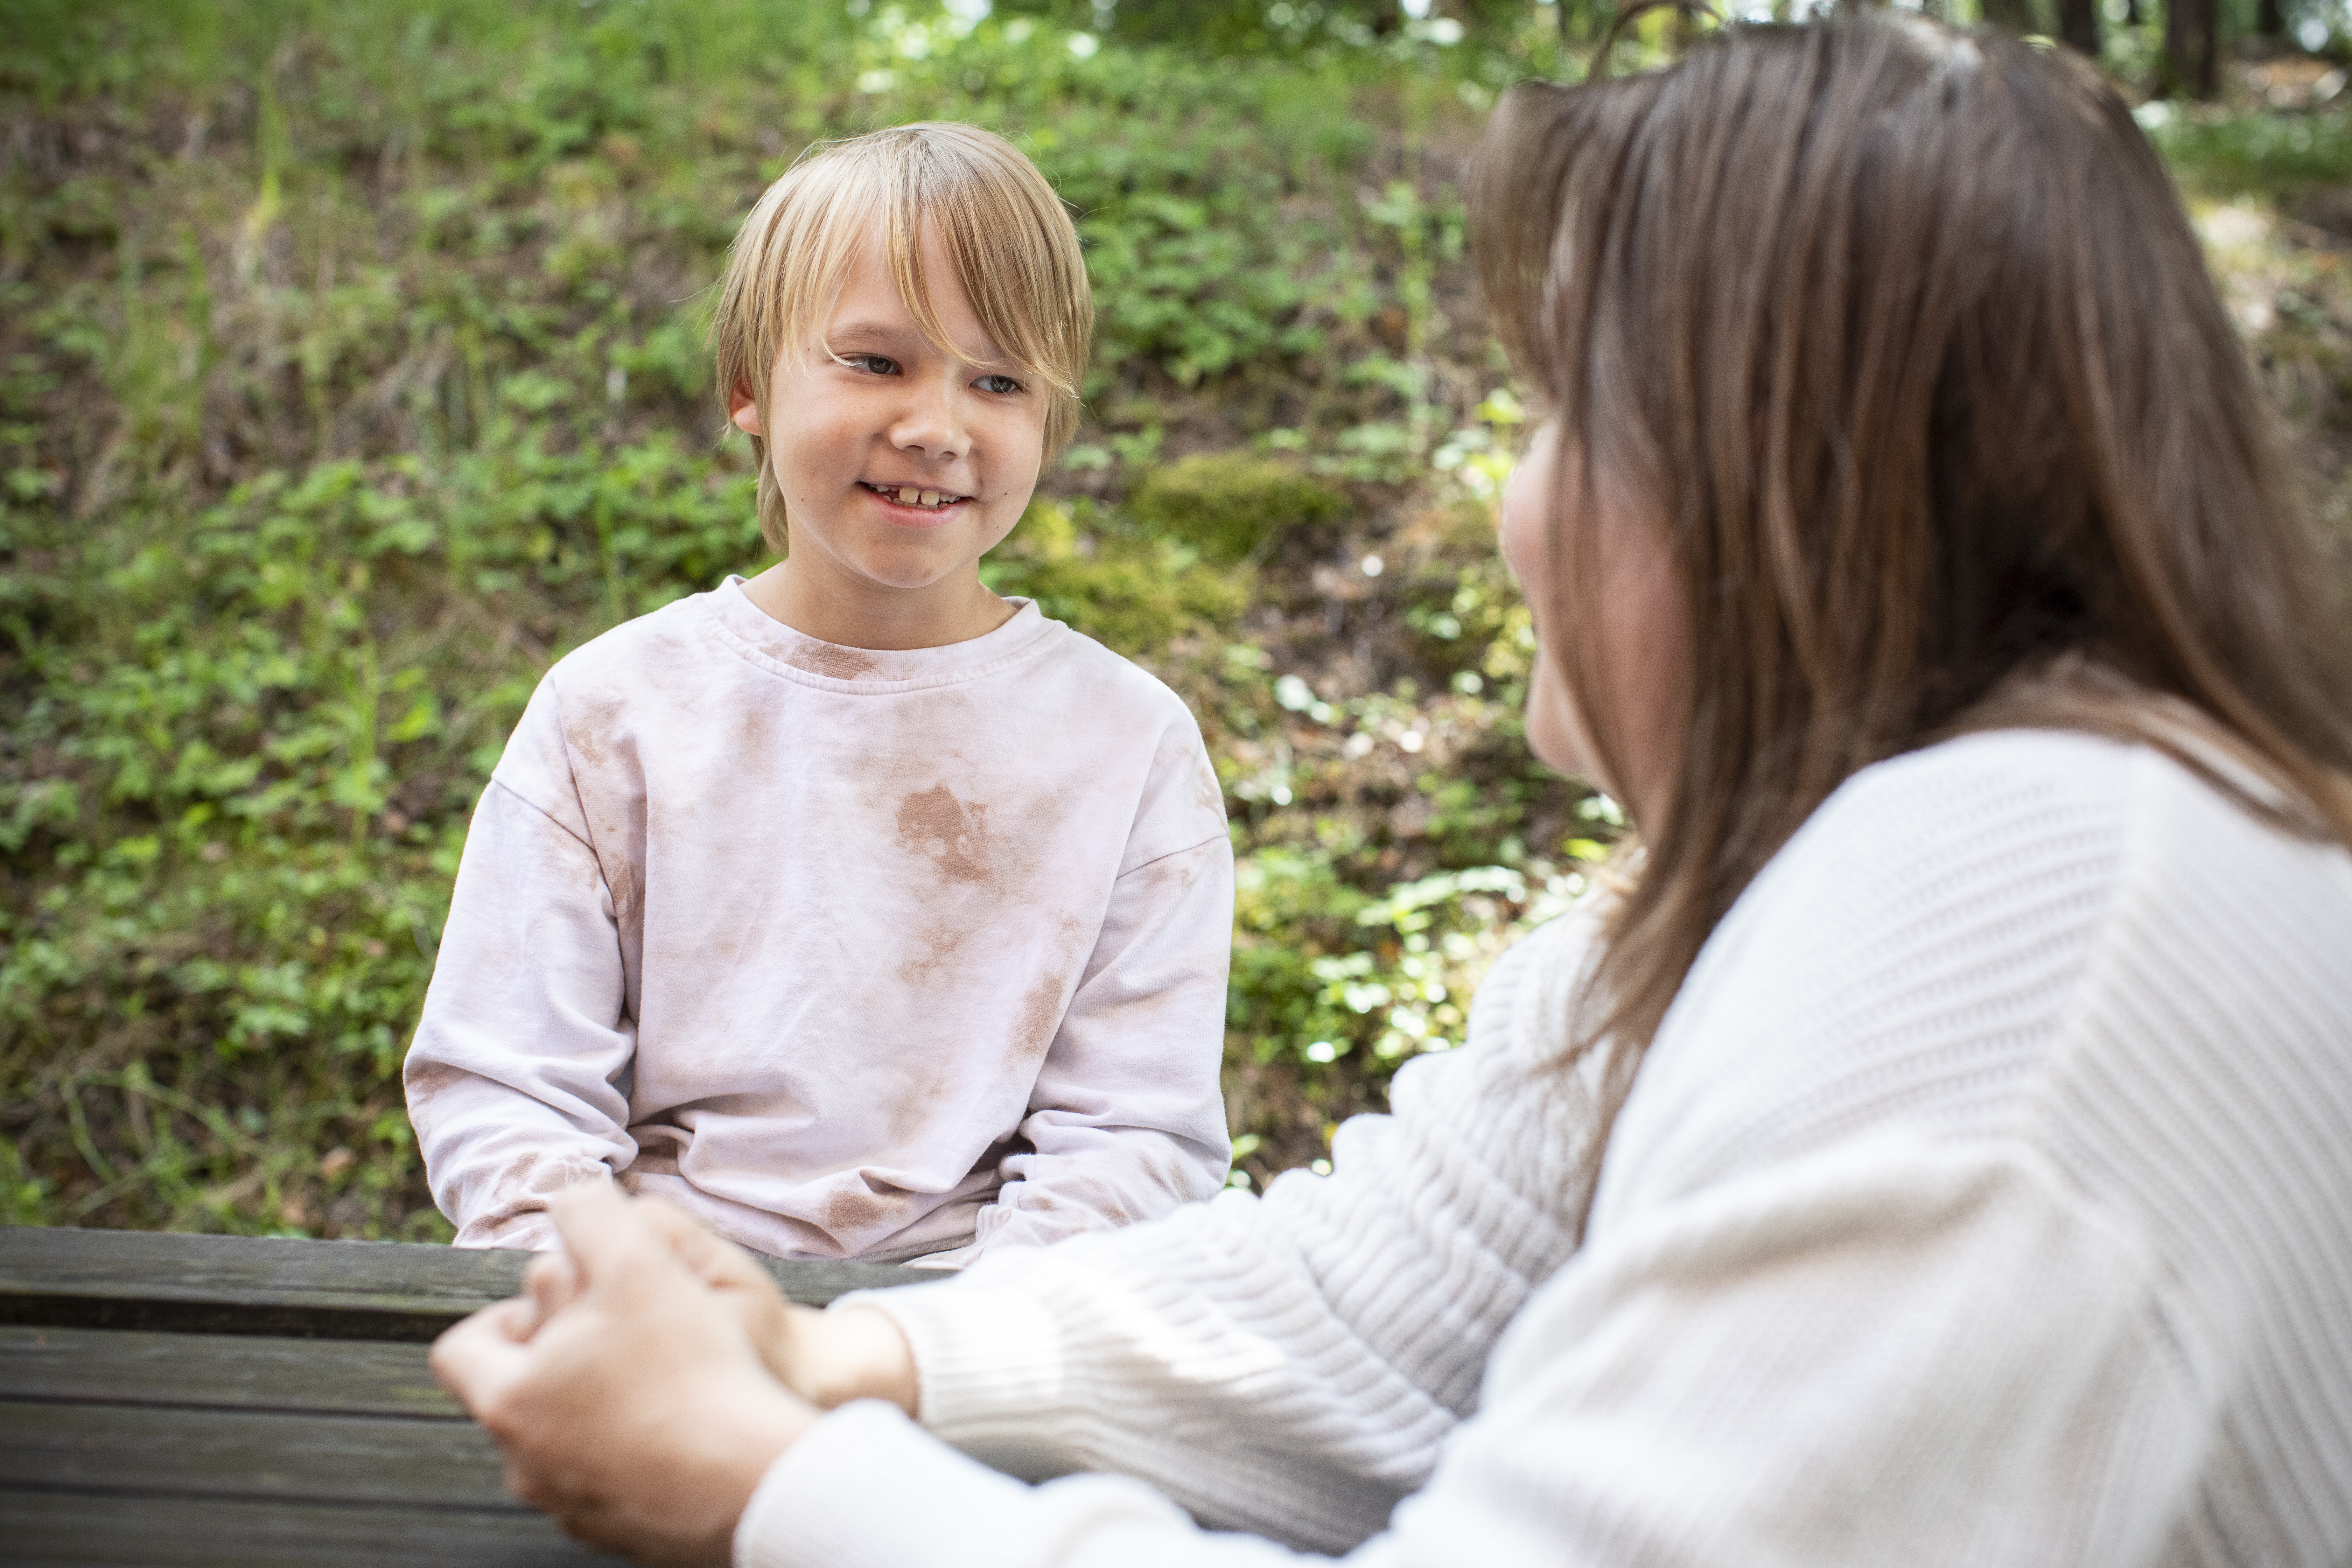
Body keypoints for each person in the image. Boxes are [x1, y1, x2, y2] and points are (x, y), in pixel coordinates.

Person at [430, 18, 2352, 1567]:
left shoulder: (2018, 939)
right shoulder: (1856, 864)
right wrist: (838, 1354)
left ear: (1777, 480)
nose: (1511, 501)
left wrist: (771, 1485)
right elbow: (1387, 1297)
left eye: (1553, 410)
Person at [402, 122, 1236, 1266]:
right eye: (877, 361)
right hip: (659, 1307)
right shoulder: (614, 712)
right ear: (750, 386)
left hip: (981, 1335)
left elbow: (1132, 1135)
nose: (936, 429)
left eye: (998, 380)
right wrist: (605, 1298)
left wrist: (956, 1356)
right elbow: (511, 1093)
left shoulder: (1126, 741)